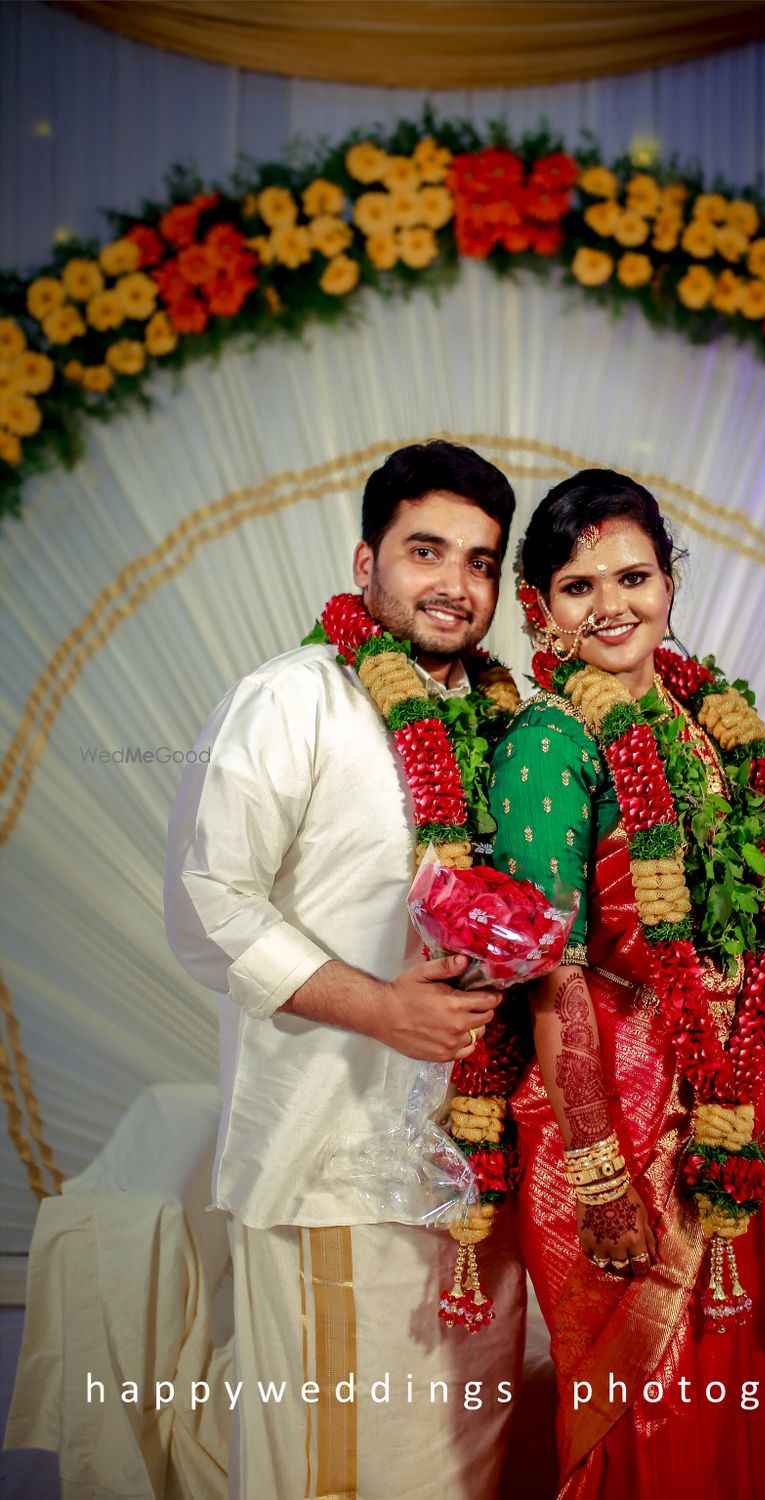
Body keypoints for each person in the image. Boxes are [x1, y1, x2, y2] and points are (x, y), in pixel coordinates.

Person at [164, 440, 527, 1500]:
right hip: (335, 1163)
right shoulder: (289, 701)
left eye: (480, 561)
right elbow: (206, 901)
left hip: (475, 1176)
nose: (455, 585)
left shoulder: (509, 726)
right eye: (426, 551)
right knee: (341, 1471)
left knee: (456, 1470)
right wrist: (376, 1007)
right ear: (366, 559)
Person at [489, 469, 765, 1498]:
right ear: (536, 609)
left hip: (725, 1102)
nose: (612, 606)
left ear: (670, 582)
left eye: (631, 575)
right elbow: (547, 984)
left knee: (734, 1375)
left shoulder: (702, 723)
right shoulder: (548, 748)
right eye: (577, 586)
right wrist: (600, 1176)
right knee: (650, 1406)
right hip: (616, 1130)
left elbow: (755, 916)